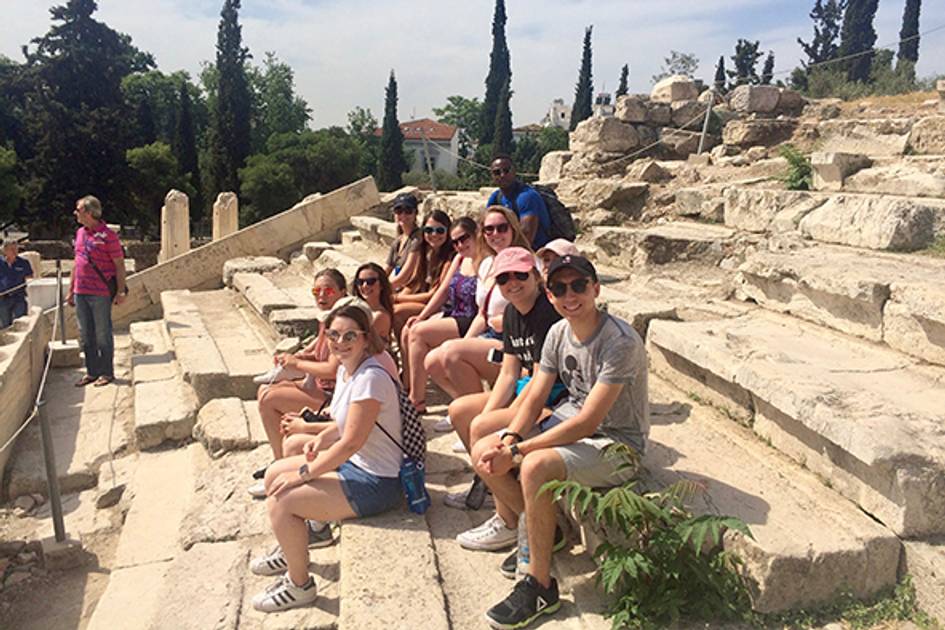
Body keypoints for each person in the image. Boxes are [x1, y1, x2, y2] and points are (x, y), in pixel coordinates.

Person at [472, 255, 649, 629]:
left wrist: (518, 451)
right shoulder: (558, 333)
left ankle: (539, 585)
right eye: (560, 288)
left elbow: (589, 422)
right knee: (483, 450)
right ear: (549, 295)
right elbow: (535, 393)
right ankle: (545, 531)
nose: (570, 295)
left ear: (596, 288)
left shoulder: (620, 342)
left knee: (534, 465)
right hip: (576, 428)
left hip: (618, 446)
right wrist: (507, 439)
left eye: (579, 285)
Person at [249, 304, 405, 613]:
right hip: (357, 465)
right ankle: (292, 549)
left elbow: (350, 442)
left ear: (365, 338)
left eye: (350, 335)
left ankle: (300, 586)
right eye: (334, 334)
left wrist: (305, 473)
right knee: (274, 475)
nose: (340, 342)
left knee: (282, 497)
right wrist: (321, 437)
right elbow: (347, 424)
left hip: (378, 482)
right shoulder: (350, 370)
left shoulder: (370, 378)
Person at [443, 247, 563, 516]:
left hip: (552, 398)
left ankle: (512, 518)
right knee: (460, 411)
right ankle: (495, 487)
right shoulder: (512, 314)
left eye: (519, 275)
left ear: (534, 275)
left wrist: (498, 420)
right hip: (527, 389)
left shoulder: (546, 314)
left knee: (482, 426)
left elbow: (540, 381)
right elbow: (509, 374)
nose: (512, 283)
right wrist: (491, 413)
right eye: (503, 278)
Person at [424, 207, 532, 402]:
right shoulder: (487, 264)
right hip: (489, 332)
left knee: (452, 353)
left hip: (513, 341)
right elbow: (482, 314)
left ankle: (476, 410)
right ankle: (470, 404)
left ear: (513, 229)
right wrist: (465, 342)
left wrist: (506, 320)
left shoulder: (526, 263)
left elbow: (534, 310)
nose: (495, 234)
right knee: (433, 361)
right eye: (489, 229)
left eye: (502, 228)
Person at [254, 268, 348, 472]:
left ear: (342, 292)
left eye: (329, 291)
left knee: (269, 399)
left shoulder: (341, 322)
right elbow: (317, 353)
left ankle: (281, 463)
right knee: (264, 390)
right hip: (321, 387)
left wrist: (296, 364)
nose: (322, 296)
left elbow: (332, 369)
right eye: (317, 292)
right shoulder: (326, 318)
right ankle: (279, 457)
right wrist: (292, 359)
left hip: (332, 396)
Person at [400, 216, 479, 411]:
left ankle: (415, 400)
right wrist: (422, 316)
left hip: (472, 317)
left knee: (418, 333)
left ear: (476, 234)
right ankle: (409, 386)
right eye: (456, 242)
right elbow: (443, 291)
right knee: (409, 329)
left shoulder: (485, 261)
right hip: (454, 314)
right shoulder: (460, 259)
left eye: (464, 238)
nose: (460, 245)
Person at [68, 195, 127, 387]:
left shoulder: (108, 236)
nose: (75, 213)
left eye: (79, 210)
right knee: (85, 334)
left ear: (89, 212)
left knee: (102, 333)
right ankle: (92, 371)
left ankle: (107, 372)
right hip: (81, 291)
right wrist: (70, 290)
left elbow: (119, 265)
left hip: (100, 292)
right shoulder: (79, 233)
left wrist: (120, 291)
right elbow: (76, 264)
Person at [391, 209, 455, 341]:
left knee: (397, 312)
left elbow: (433, 295)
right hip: (427, 302)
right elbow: (414, 283)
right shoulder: (424, 252)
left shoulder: (450, 257)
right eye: (429, 230)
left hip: (441, 306)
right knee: (389, 309)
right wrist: (392, 298)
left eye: (440, 230)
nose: (434, 234)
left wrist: (397, 298)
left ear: (448, 231)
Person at [487, 155, 552, 250]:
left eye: (506, 170)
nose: (502, 175)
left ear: (514, 172)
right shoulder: (496, 197)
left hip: (537, 251)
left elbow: (525, 236)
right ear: (492, 176)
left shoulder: (527, 197)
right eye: (497, 172)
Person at [385, 193, 422, 291]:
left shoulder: (418, 238)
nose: (403, 215)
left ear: (415, 213)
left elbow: (405, 275)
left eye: (408, 211)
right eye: (399, 211)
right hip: (398, 286)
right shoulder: (398, 241)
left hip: (411, 288)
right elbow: (386, 270)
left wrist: (381, 289)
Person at [350, 262, 394, 343]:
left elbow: (360, 343)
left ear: (381, 285)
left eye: (370, 281)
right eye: (360, 282)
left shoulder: (380, 316)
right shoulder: (355, 308)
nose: (365, 286)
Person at [0, 239, 34, 328]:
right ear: (5, 250)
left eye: (16, 249)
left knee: (21, 324)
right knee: (5, 326)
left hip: (19, 297)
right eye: (12, 249)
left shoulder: (23, 263)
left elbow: (30, 276)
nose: (15, 251)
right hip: (3, 298)